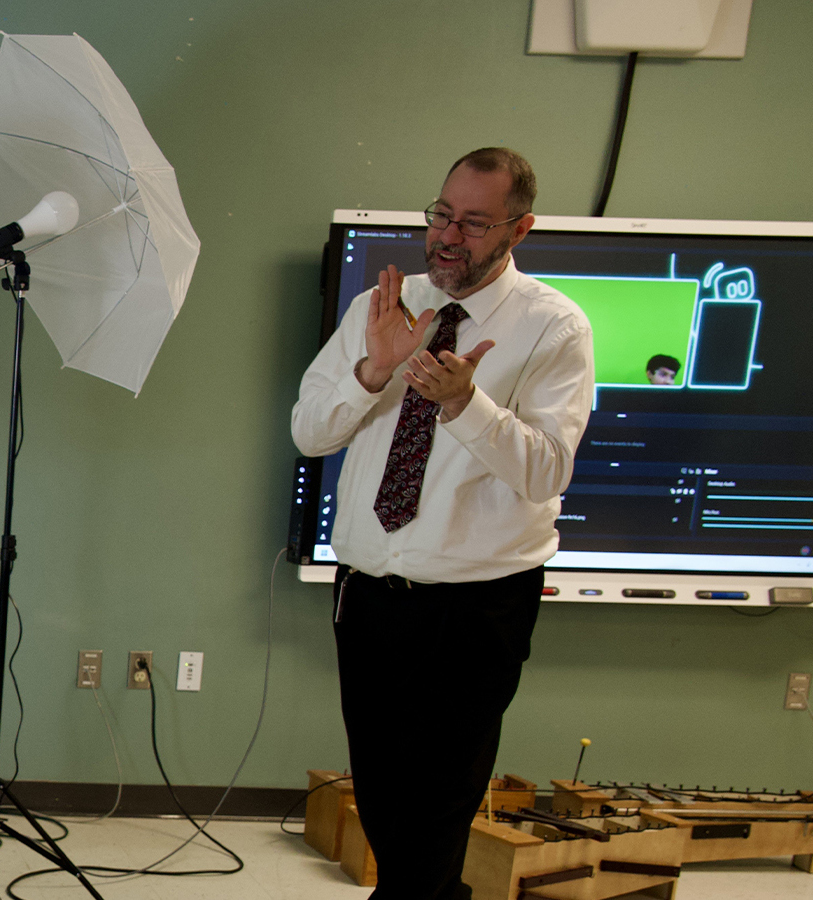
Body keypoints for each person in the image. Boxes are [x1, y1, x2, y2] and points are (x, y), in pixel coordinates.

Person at [291, 147, 595, 900]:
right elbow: (309, 432)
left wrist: (464, 403)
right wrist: (373, 373)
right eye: (441, 215)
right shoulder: (385, 306)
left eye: (474, 223)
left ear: (520, 228)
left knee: (436, 805)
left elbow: (547, 471)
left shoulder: (554, 327)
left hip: (476, 605)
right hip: (367, 593)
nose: (448, 237)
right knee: (385, 799)